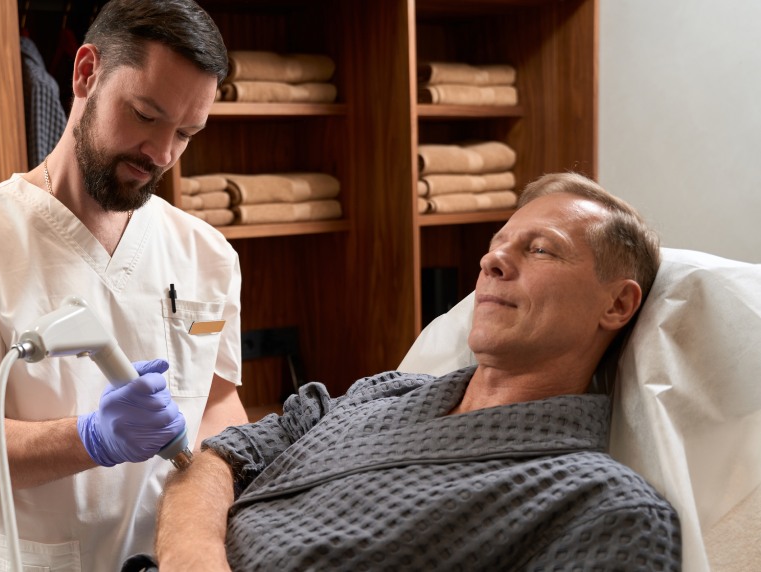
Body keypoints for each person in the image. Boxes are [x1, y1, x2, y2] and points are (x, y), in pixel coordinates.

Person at [153, 173, 682, 570]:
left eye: (540, 250)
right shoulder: (382, 393)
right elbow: (215, 457)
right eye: (495, 246)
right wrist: (192, 557)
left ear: (616, 305)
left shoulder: (601, 505)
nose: (492, 262)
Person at [0, 0, 248, 569]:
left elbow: (220, 403)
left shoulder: (207, 254)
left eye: (186, 133)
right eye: (144, 115)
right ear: (85, 73)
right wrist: (91, 438)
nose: (161, 154)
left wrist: (203, 526)